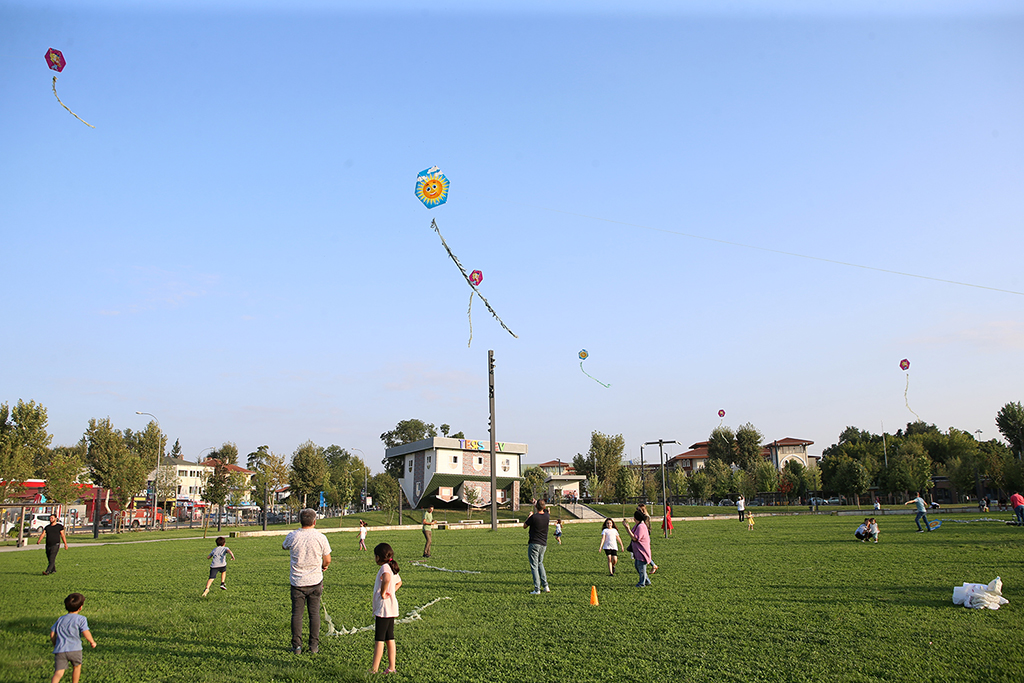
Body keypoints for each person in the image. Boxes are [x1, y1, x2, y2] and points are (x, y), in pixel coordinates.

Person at [282, 508, 332, 654]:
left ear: (300, 521)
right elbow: (327, 558)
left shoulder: (293, 535)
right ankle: (313, 646)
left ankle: (297, 646)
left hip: (297, 582)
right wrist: (324, 566)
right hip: (315, 580)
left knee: (297, 614)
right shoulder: (320, 537)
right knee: (314, 614)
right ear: (314, 522)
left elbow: (285, 546)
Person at [370, 542, 402, 674]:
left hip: (383, 609)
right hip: (391, 608)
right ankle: (391, 667)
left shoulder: (385, 568)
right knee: (390, 638)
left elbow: (387, 579)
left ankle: (374, 670)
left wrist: (383, 593)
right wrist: (392, 592)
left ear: (378, 557)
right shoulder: (391, 566)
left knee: (379, 639)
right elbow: (399, 582)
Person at [50, 592, 96, 683]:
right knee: (77, 667)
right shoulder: (81, 619)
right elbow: (85, 632)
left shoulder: (60, 619)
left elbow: (52, 634)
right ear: (80, 607)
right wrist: (92, 642)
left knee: (58, 673)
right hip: (75, 649)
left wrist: (56, 644)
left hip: (60, 650)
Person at [523, 500, 550, 594]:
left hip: (534, 543)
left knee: (534, 565)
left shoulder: (533, 517)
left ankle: (537, 589)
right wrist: (537, 504)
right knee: (540, 563)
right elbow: (545, 511)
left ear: (536, 507)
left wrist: (529, 516)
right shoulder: (547, 516)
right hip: (543, 544)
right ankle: (545, 586)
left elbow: (525, 526)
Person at [624, 509, 653, 587]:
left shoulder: (641, 526)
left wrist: (627, 529)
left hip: (642, 551)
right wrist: (627, 528)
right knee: (638, 566)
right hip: (638, 551)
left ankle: (642, 583)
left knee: (641, 568)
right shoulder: (638, 525)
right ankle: (647, 581)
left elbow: (635, 538)